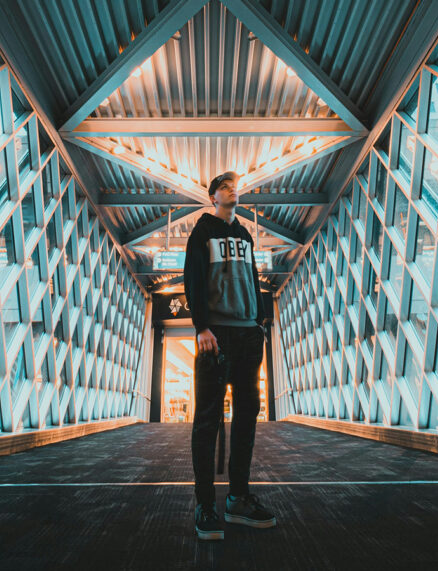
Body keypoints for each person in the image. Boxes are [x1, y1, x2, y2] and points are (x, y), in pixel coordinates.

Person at [184, 171, 277, 541]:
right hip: (216, 335)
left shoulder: (244, 235)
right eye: (224, 187)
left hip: (247, 334)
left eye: (234, 186)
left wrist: (258, 323)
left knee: (247, 416)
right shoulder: (202, 232)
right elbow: (193, 276)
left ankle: (238, 498)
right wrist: (201, 326)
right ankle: (205, 503)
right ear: (212, 197)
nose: (232, 190)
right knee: (207, 418)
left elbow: (252, 279)